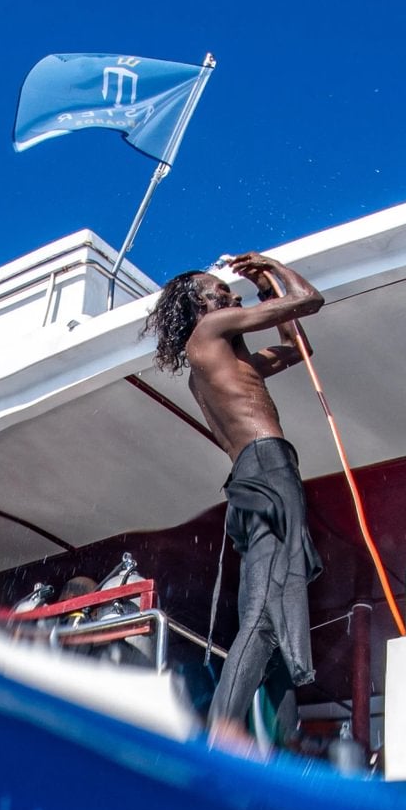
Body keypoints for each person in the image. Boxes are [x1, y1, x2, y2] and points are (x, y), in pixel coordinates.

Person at [143, 253, 324, 749]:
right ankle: (222, 732)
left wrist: (267, 287)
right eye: (217, 290)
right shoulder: (211, 330)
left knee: (272, 614)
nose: (228, 293)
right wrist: (274, 267)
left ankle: (278, 742)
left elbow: (298, 346)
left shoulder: (224, 359)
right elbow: (310, 300)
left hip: (251, 477)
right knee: (267, 611)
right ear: (202, 303)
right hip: (267, 468)